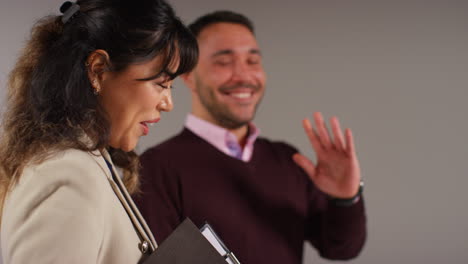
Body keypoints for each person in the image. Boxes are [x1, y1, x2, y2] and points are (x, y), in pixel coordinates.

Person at [134, 10, 366, 264]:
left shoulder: (289, 160)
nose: (244, 76)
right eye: (224, 62)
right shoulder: (156, 168)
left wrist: (345, 199)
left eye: (253, 61)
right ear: (188, 75)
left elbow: (340, 249)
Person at [0, 0, 198, 263]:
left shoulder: (88, 163)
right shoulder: (69, 175)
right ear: (98, 70)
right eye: (161, 83)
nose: (168, 104)